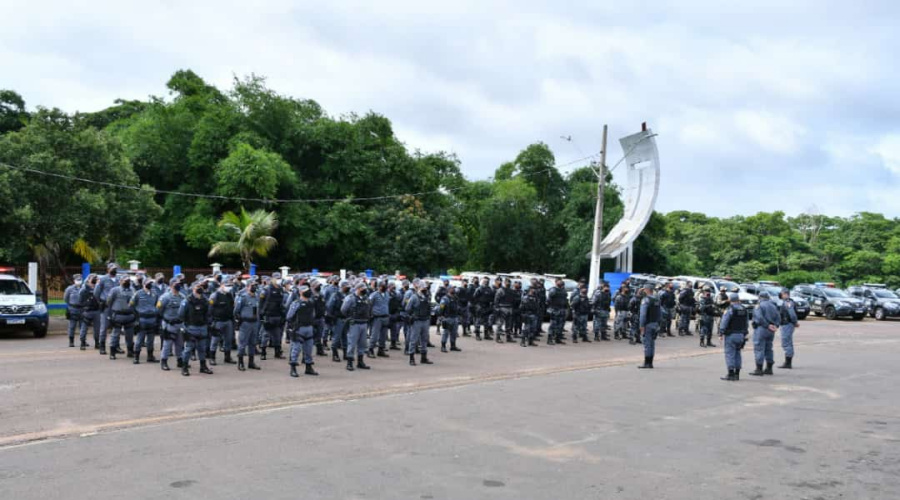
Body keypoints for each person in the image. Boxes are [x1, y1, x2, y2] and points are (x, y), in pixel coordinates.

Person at [179, 283, 214, 376]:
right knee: (188, 348)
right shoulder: (187, 300)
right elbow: (181, 315)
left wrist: (208, 324)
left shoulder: (205, 300)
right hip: (191, 327)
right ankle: (184, 367)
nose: (200, 289)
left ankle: (203, 367)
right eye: (198, 287)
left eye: (201, 287)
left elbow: (208, 313)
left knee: (202, 348)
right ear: (193, 289)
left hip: (202, 327)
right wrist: (184, 327)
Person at [285, 285, 318, 377]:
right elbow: (289, 316)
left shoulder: (311, 302)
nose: (308, 292)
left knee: (309, 349)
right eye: (305, 291)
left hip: (309, 328)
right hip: (299, 328)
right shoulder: (296, 303)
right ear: (300, 292)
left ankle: (308, 368)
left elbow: (313, 315)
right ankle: (293, 368)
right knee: (296, 349)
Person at [718, 293, 749, 381]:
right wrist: (744, 333)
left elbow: (724, 322)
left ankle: (730, 373)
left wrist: (721, 333)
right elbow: (746, 323)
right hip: (741, 335)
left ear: (730, 300)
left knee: (730, 354)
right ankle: (737, 374)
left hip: (731, 334)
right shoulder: (744, 309)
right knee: (738, 353)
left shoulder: (730, 309)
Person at [341, 283, 372, 371]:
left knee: (362, 343)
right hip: (354, 323)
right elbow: (343, 310)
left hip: (364, 323)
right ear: (358, 289)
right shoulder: (350, 298)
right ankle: (349, 362)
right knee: (352, 343)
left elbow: (369, 308)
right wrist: (350, 317)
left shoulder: (366, 298)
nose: (365, 290)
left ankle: (360, 362)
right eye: (363, 288)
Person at [750, 291, 780, 376]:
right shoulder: (773, 305)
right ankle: (769, 368)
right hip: (771, 330)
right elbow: (778, 317)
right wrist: (775, 326)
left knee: (759, 348)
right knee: (768, 348)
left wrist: (767, 325)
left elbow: (759, 318)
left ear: (760, 297)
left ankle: (759, 369)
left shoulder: (759, 306)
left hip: (762, 329)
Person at [157, 279, 185, 372]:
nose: (178, 285)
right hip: (169, 324)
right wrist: (166, 319)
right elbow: (159, 309)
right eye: (176, 284)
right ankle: (164, 361)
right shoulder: (165, 297)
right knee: (167, 344)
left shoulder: (182, 296)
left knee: (180, 343)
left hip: (179, 324)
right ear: (171, 285)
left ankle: (180, 360)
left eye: (179, 284)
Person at [207, 278, 236, 366]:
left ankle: (227, 357)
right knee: (215, 340)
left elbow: (232, 306)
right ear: (222, 285)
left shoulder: (229, 295)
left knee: (228, 340)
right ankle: (212, 358)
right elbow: (210, 309)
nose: (229, 288)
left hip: (228, 320)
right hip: (217, 321)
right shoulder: (215, 295)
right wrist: (211, 321)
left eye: (230, 286)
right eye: (227, 286)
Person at [106, 276, 136, 360]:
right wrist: (109, 315)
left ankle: (130, 351)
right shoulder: (115, 290)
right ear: (120, 281)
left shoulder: (133, 290)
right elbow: (109, 302)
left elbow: (135, 302)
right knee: (115, 334)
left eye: (128, 281)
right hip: (118, 315)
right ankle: (112, 352)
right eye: (125, 281)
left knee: (130, 335)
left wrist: (135, 315)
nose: (127, 282)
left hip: (129, 315)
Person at [130, 278, 159, 364]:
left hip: (152, 319)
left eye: (151, 283)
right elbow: (131, 305)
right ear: (144, 284)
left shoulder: (154, 293)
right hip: (142, 319)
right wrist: (136, 316)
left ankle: (150, 356)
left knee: (151, 339)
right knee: (140, 339)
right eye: (149, 283)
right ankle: (136, 357)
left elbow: (157, 305)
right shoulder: (138, 293)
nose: (150, 284)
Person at [234, 281, 261, 371]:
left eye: (255, 285)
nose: (254, 287)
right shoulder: (243, 297)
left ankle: (251, 362)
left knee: (253, 343)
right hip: (245, 323)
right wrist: (240, 320)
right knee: (242, 343)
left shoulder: (257, 296)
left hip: (255, 323)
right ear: (248, 287)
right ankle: (240, 362)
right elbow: (236, 311)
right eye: (252, 285)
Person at [258, 273, 286, 360]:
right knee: (266, 335)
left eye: (279, 278)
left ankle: (277, 352)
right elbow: (261, 303)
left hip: (278, 315)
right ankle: (263, 352)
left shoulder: (281, 289)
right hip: (268, 315)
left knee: (277, 335)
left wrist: (283, 315)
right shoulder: (266, 289)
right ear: (272, 279)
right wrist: (261, 315)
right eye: (277, 278)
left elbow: (282, 303)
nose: (278, 280)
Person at [405, 282, 434, 366]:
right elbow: (407, 308)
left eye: (426, 288)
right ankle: (411, 358)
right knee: (413, 340)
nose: (425, 289)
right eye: (423, 288)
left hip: (425, 320)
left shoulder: (427, 297)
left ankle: (423, 357)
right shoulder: (414, 297)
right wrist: (412, 316)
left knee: (424, 340)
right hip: (417, 321)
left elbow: (429, 308)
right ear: (419, 288)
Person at [94, 263, 119, 355]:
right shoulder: (103, 279)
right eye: (112, 268)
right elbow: (96, 292)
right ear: (108, 269)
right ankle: (102, 347)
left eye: (115, 268)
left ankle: (115, 346)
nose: (114, 270)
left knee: (117, 327)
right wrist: (100, 302)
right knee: (104, 327)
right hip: (106, 306)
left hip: (116, 307)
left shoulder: (119, 279)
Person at [638, 283, 661, 369]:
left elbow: (643, 314)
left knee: (647, 344)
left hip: (647, 324)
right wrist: (659, 323)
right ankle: (650, 362)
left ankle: (647, 363)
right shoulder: (657, 299)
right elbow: (660, 313)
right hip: (655, 323)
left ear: (647, 290)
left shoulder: (646, 300)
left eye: (644, 289)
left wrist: (641, 325)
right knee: (652, 344)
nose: (643, 291)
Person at [326, 280, 350, 362]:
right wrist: (332, 318)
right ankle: (335, 354)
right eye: (346, 286)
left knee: (345, 337)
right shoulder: (336, 295)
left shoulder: (348, 295)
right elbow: (330, 307)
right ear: (342, 287)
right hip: (338, 319)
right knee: (336, 337)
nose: (348, 288)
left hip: (346, 318)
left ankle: (345, 354)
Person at [79, 274, 101, 350]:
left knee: (97, 328)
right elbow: (80, 301)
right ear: (88, 280)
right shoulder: (84, 289)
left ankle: (97, 343)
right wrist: (83, 310)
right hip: (87, 311)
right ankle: (82, 342)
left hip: (97, 310)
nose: (94, 280)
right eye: (93, 278)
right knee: (84, 328)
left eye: (96, 278)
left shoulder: (98, 288)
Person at [778, 288, 799, 369]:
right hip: (787, 324)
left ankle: (788, 363)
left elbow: (792, 314)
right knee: (788, 342)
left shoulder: (788, 302)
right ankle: (788, 362)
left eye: (781, 293)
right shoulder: (787, 301)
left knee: (786, 343)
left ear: (785, 294)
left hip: (787, 324)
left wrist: (795, 322)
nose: (780, 295)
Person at [63, 274, 84, 348]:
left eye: (80, 280)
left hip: (82, 309)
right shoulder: (70, 289)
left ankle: (83, 341)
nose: (79, 281)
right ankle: (71, 341)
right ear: (74, 280)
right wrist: (71, 305)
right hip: (73, 309)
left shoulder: (84, 288)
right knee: (72, 326)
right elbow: (65, 298)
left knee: (83, 326)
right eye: (77, 280)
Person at [439, 286, 462, 352]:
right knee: (445, 333)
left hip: (455, 317)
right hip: (447, 317)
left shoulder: (455, 298)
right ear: (448, 290)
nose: (453, 289)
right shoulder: (445, 298)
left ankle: (453, 346)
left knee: (454, 333)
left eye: (454, 288)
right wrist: (442, 316)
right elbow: (441, 308)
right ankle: (443, 346)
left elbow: (457, 306)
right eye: (452, 288)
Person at [547, 279, 568, 345]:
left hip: (561, 310)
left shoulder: (563, 290)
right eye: (559, 281)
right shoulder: (553, 290)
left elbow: (565, 299)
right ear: (556, 283)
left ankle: (558, 339)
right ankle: (549, 339)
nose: (560, 283)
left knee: (560, 325)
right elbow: (549, 300)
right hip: (555, 310)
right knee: (553, 325)